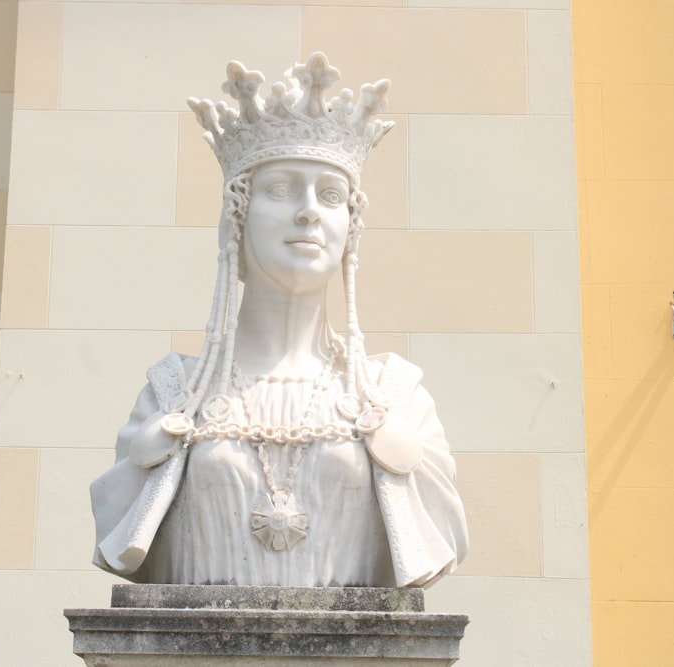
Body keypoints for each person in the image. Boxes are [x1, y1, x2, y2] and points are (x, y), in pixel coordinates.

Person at [90, 53, 467, 588]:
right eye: (282, 190)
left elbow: (440, 531)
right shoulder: (169, 396)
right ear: (238, 216)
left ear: (351, 227)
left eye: (330, 195)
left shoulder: (399, 397)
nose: (309, 211)